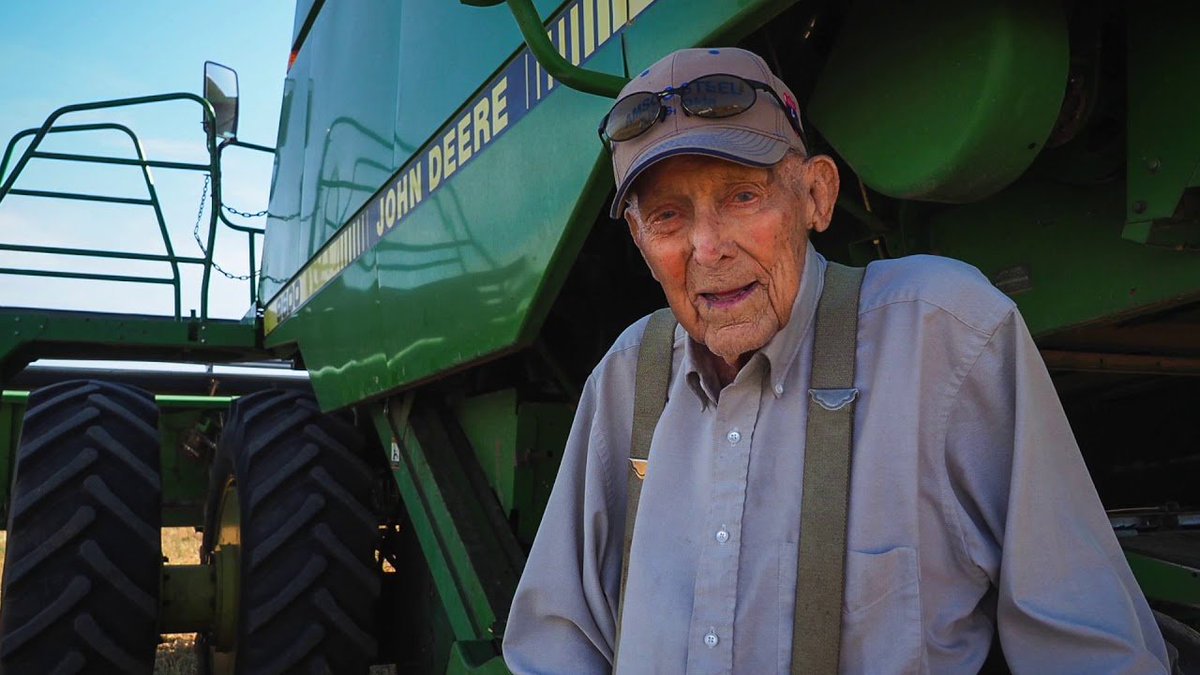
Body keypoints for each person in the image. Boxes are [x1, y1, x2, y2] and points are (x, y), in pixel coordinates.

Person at [502, 47, 1169, 674]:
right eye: (669, 217)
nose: (707, 247)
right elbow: (554, 643)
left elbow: (1091, 649)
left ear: (815, 196)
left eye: (742, 196)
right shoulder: (626, 376)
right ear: (641, 242)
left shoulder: (945, 335)